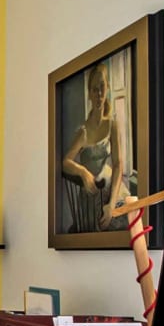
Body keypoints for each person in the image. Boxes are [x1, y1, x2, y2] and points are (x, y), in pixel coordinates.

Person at [61, 63, 130, 230]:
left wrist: (112, 204)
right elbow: (66, 161)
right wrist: (83, 172)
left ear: (107, 88)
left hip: (110, 189)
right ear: (89, 94)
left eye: (102, 87)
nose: (99, 94)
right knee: (95, 226)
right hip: (91, 192)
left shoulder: (112, 125)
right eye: (94, 90)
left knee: (129, 219)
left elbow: (118, 164)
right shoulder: (83, 131)